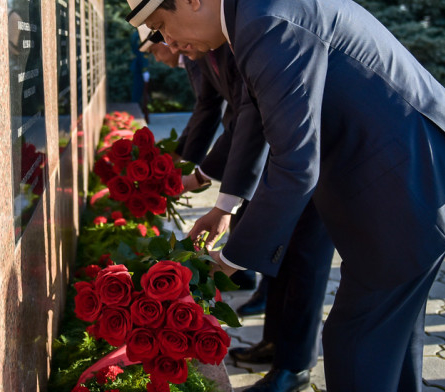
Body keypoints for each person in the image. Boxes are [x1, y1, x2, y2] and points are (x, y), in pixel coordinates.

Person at [111, 0, 445, 392]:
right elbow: (256, 117)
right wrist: (226, 206)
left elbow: (296, 162)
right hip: (399, 182)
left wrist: (234, 258)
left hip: (409, 184)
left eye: (161, 26)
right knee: (388, 342)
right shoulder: (250, 9)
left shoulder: (265, 19)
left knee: (356, 343)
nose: (169, 42)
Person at [140, 27, 335, 391]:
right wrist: (199, 177)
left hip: (312, 162)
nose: (174, 46)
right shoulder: (208, 48)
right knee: (282, 258)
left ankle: (295, 365)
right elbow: (230, 117)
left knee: (303, 261)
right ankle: (277, 346)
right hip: (277, 161)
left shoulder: (241, 41)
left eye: (169, 33)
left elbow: (249, 120)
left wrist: (207, 186)